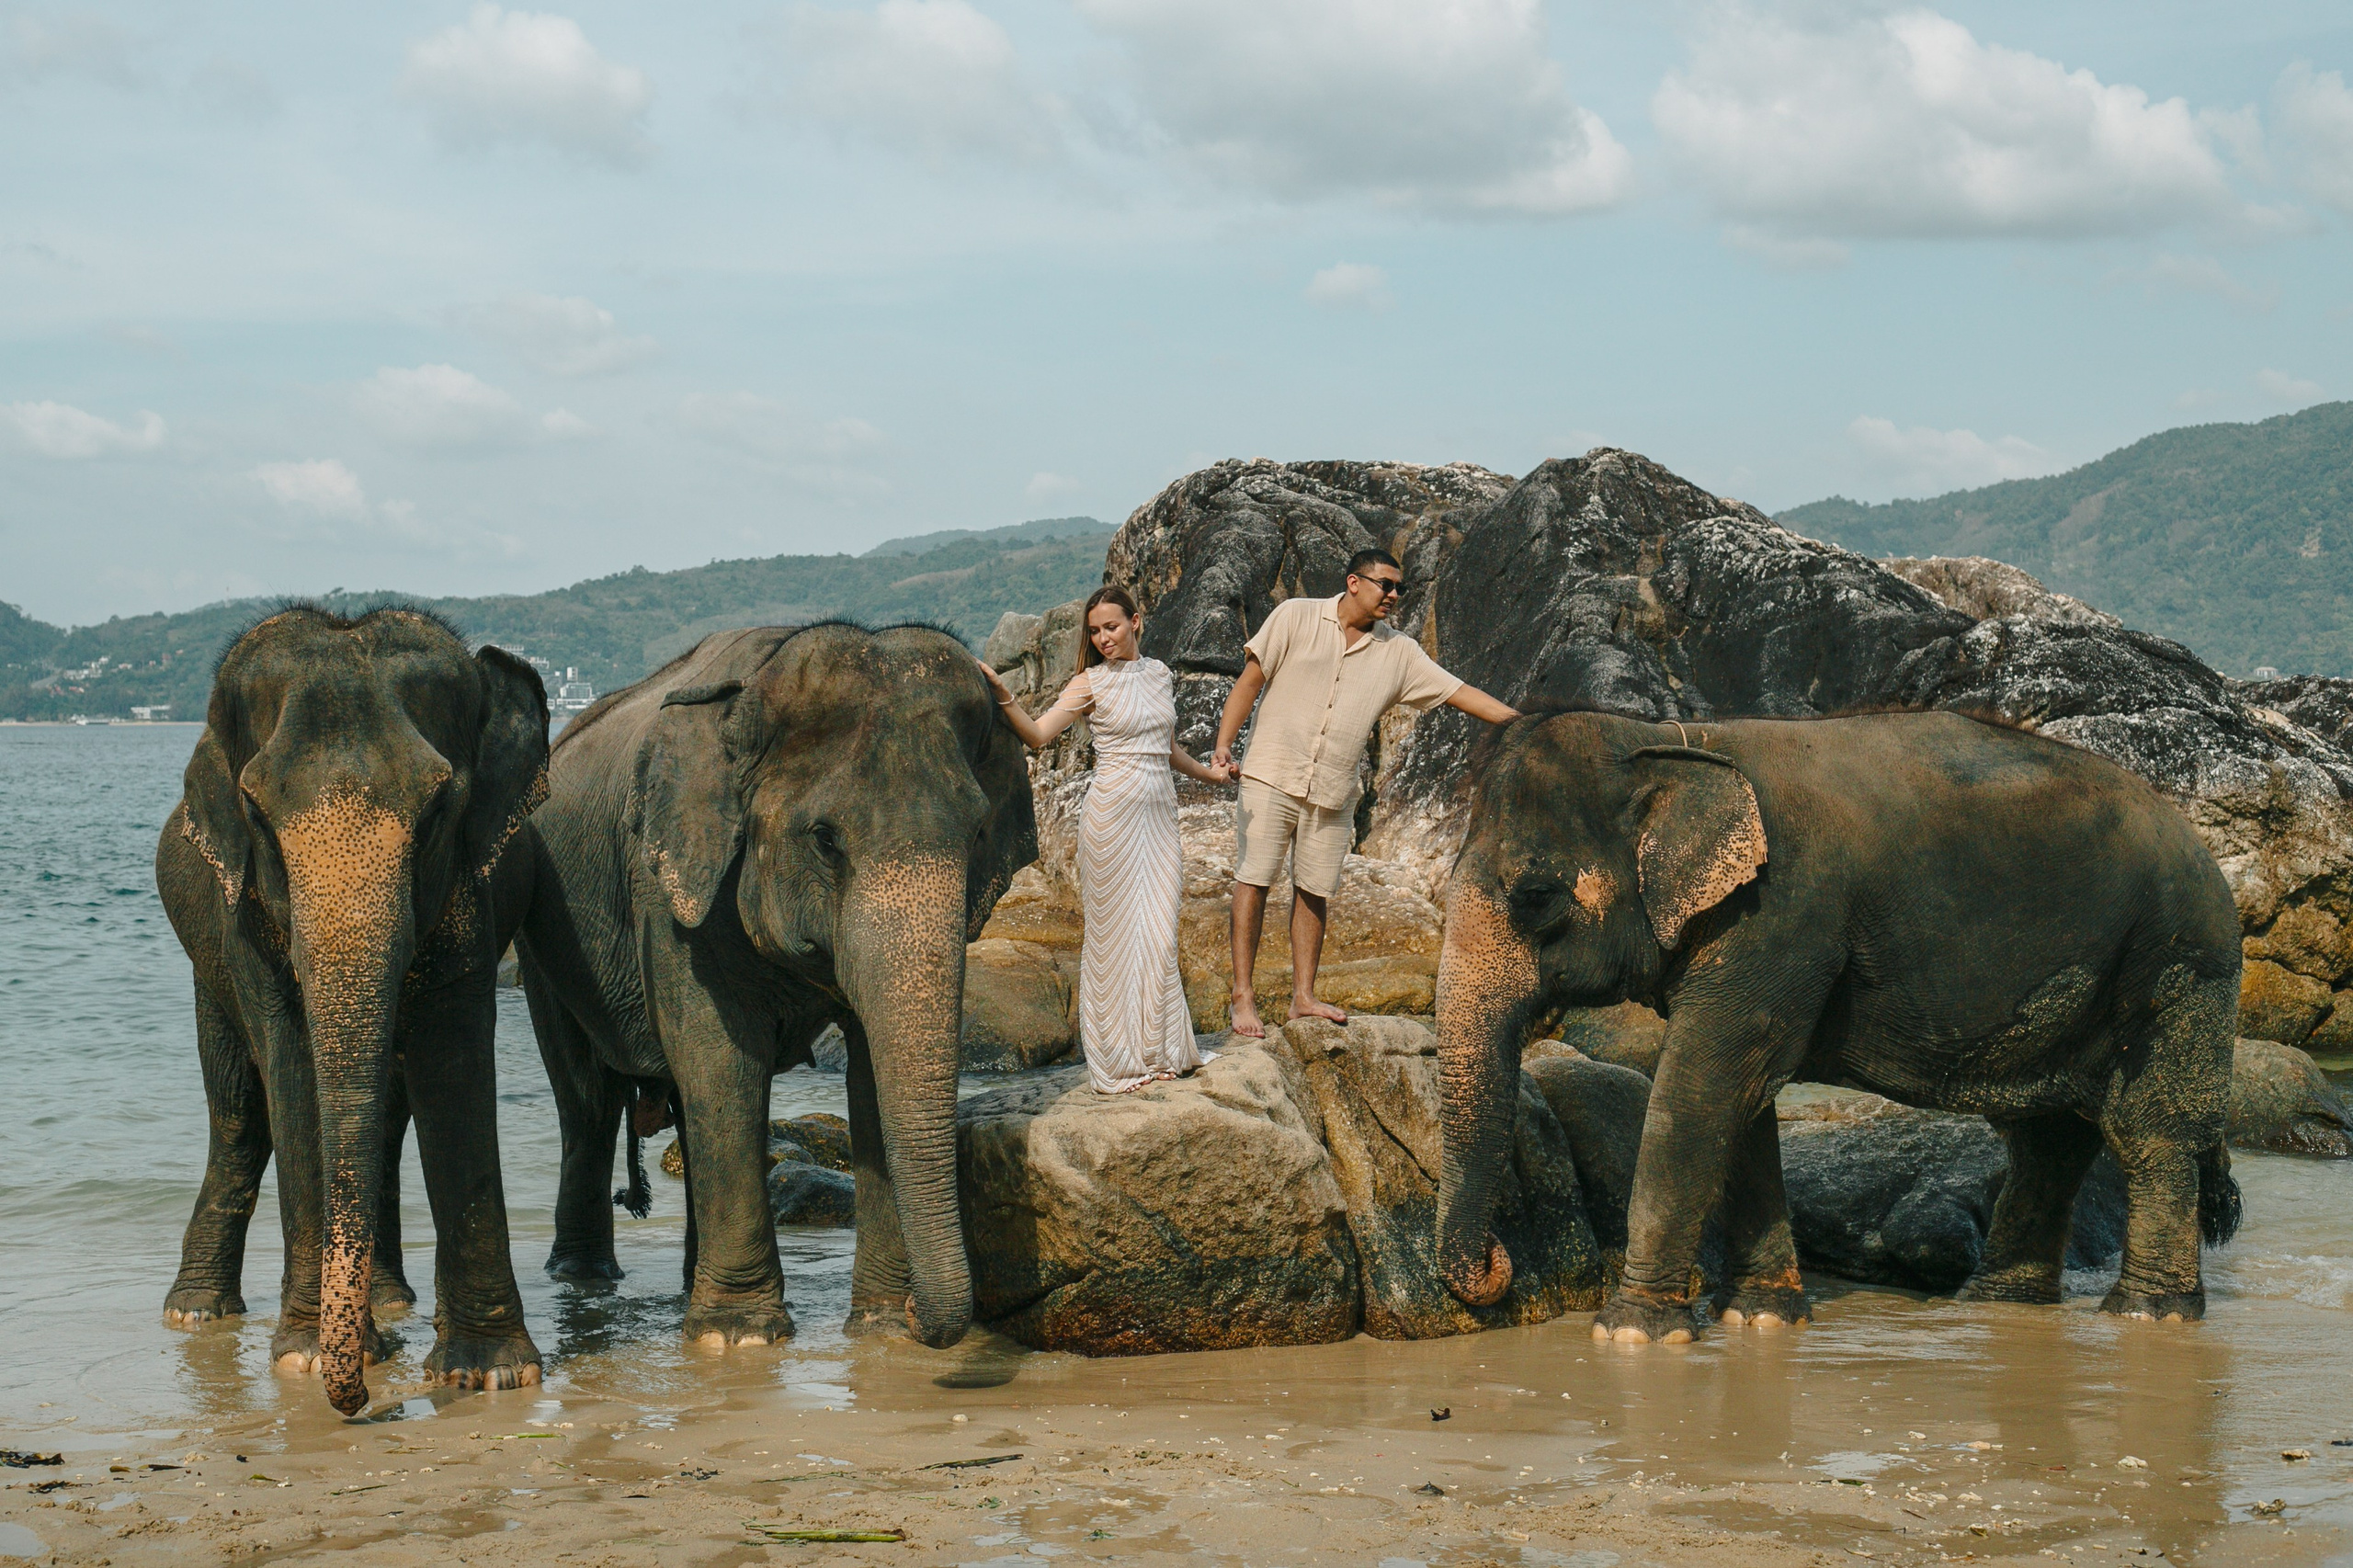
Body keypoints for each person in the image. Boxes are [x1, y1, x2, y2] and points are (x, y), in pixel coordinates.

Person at [1211, 549, 1518, 1038]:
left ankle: (1303, 998)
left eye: (1400, 588)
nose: (1394, 595)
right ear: (1354, 582)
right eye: (1386, 585)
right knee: (1254, 879)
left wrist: (1529, 725)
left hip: (1333, 789)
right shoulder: (1295, 615)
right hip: (1271, 772)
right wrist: (1224, 745)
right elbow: (1250, 682)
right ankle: (1242, 995)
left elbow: (1462, 693)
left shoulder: (1400, 653)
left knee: (1315, 890)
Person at [978, 586, 1233, 1094]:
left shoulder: (1160, 674)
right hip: (1111, 819)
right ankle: (1118, 1062)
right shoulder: (1089, 682)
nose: (1102, 639)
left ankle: (1160, 1049)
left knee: (1159, 935)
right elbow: (1038, 734)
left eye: (1111, 627)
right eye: (1094, 632)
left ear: (1135, 622)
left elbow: (1167, 748)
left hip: (1159, 818)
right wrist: (1003, 695)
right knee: (1114, 940)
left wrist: (1211, 777)